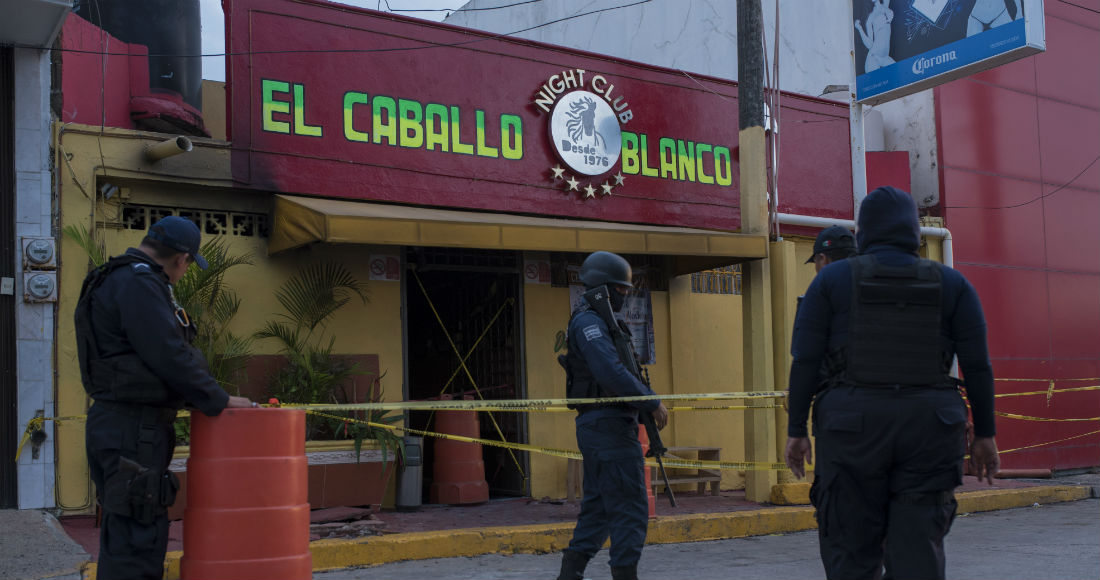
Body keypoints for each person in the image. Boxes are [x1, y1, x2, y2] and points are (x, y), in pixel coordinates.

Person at [784, 187, 999, 580]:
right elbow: (978, 367)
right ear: (914, 231)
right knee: (917, 552)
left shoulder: (830, 282)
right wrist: (985, 434)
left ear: (863, 232)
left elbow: (806, 362)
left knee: (851, 551)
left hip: (851, 430)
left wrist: (796, 431)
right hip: (930, 430)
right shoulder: (953, 285)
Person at [75, 216, 253, 579]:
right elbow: (167, 352)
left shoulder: (117, 277)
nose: (184, 272)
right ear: (181, 259)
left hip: (121, 424)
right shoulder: (140, 283)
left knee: (126, 531)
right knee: (138, 536)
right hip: (133, 428)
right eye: (188, 266)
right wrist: (218, 399)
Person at [556, 251, 669, 580]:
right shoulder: (589, 322)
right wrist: (650, 401)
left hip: (606, 426)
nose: (625, 296)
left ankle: (569, 574)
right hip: (606, 426)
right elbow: (609, 372)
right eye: (621, 290)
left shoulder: (603, 322)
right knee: (631, 508)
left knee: (600, 509)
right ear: (603, 289)